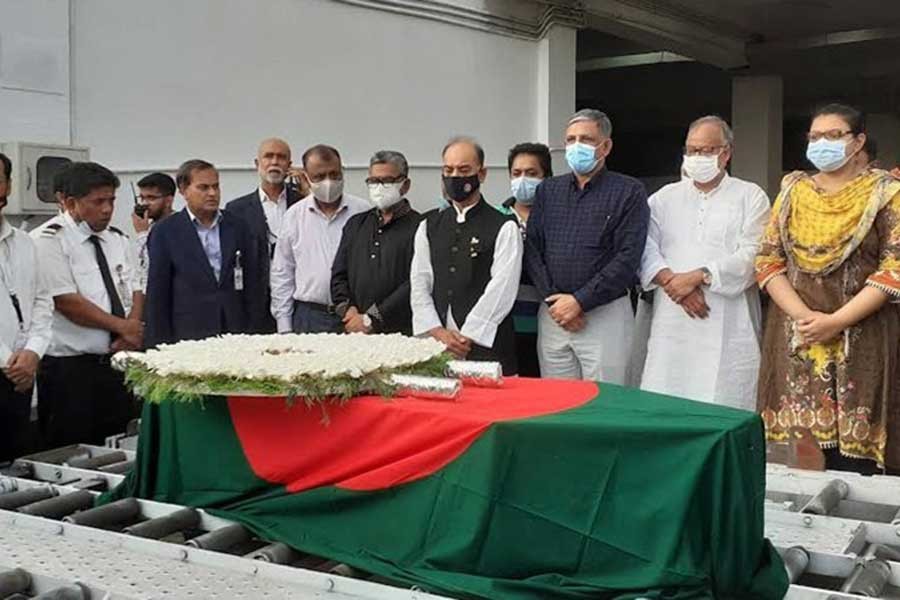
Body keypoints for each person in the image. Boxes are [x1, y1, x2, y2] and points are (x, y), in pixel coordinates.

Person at [756, 103, 900, 474]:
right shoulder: (792, 190)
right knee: (798, 462)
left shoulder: (886, 193)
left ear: (858, 141)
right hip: (796, 335)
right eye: (815, 137)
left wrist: (836, 321)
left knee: (858, 467)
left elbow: (893, 268)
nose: (822, 143)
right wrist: (805, 317)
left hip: (863, 335)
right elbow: (769, 260)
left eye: (833, 135)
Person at [639, 116, 770, 410]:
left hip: (727, 316)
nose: (697, 158)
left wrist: (700, 276)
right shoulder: (662, 199)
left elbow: (755, 252)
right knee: (666, 398)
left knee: (724, 400)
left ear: (726, 153)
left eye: (706, 151)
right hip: (672, 319)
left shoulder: (750, 196)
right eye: (692, 150)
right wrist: (674, 283)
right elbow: (644, 247)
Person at [525, 109, 649, 383]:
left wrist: (580, 301)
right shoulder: (548, 191)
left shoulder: (629, 192)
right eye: (570, 139)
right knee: (557, 406)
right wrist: (557, 303)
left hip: (605, 315)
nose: (576, 146)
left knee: (606, 405)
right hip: (554, 315)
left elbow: (628, 257)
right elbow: (533, 249)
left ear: (606, 146)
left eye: (586, 139)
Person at [34, 162, 143, 447]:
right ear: (71, 203)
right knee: (72, 450)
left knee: (121, 444)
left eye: (111, 200)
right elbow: (67, 302)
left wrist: (130, 331)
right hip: (71, 371)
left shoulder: (116, 239)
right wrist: (126, 328)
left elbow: (136, 288)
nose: (107, 209)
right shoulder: (49, 240)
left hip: (118, 363)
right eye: (98, 202)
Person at [410, 137, 522, 374]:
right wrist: (437, 332)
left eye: (464, 170)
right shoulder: (428, 225)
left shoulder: (504, 226)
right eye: (448, 170)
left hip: (486, 343)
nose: (455, 177)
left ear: (481, 174)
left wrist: (467, 336)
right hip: (437, 342)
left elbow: (502, 288)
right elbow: (419, 281)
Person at [144, 160, 266, 347]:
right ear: (184, 190)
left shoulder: (237, 226)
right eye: (203, 187)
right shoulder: (166, 232)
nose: (212, 193)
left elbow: (253, 283)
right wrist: (157, 345)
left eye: (215, 187)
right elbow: (158, 293)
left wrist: (254, 330)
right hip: (189, 331)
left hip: (235, 330)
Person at [271, 145, 368, 333]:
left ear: (342, 171)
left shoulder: (363, 211)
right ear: (306, 177)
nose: (328, 182)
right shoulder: (294, 216)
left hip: (354, 316)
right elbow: (282, 273)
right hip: (310, 316)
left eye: (334, 174)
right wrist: (284, 326)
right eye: (319, 177)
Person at [331, 150, 420, 335]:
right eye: (373, 181)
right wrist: (348, 311)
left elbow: (415, 283)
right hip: (353, 330)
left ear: (405, 185)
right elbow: (339, 275)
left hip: (399, 333)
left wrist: (372, 318)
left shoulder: (420, 227)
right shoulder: (356, 224)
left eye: (387, 181)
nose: (379, 187)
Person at [0, 152, 53, 462]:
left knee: (15, 465)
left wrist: (33, 351)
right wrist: (12, 362)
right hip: (14, 369)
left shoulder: (24, 242)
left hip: (23, 373)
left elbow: (43, 301)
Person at [228, 138, 302, 333]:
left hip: (297, 301)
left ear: (289, 165)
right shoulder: (237, 209)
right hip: (254, 305)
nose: (275, 162)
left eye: (281, 157)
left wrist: (309, 191)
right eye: (268, 156)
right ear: (257, 164)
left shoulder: (303, 203)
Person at [500, 142, 552, 377]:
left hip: (547, 324)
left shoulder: (557, 218)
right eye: (517, 173)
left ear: (546, 177)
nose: (523, 179)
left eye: (532, 174)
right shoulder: (496, 219)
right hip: (505, 326)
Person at [131, 172, 175, 293]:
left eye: (151, 198)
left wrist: (142, 234)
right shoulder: (151, 225)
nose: (144, 203)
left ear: (168, 201)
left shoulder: (176, 227)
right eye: (142, 198)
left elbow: (154, 267)